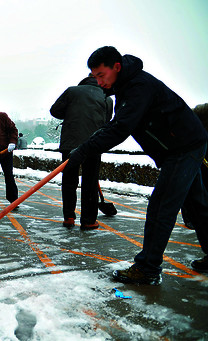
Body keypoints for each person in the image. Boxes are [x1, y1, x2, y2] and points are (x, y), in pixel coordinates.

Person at [66, 46, 208, 284]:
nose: (99, 82)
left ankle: (147, 268)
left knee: (161, 206)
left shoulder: (138, 86)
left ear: (117, 67)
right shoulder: (125, 87)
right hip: (178, 147)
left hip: (184, 147)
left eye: (102, 75)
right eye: (95, 77)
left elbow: (121, 128)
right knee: (198, 204)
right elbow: (117, 125)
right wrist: (86, 147)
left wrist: (84, 150)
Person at [50, 75, 113, 230]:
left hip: (70, 143)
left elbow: (55, 110)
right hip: (93, 143)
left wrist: (71, 112)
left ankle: (69, 217)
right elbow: (107, 120)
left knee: (69, 181)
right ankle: (88, 220)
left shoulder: (72, 91)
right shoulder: (107, 98)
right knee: (90, 182)